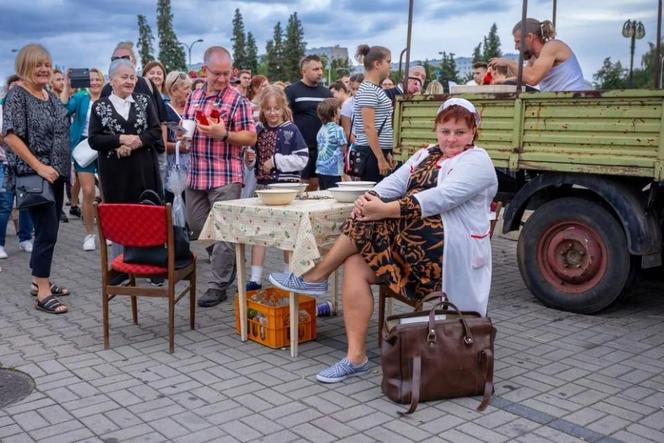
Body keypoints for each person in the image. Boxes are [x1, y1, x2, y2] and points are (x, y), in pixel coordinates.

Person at [269, 98, 498, 383]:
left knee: (366, 224)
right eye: (445, 130)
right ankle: (355, 357)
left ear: (474, 132)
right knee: (355, 260)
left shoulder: (478, 161)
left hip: (446, 252)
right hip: (413, 241)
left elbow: (442, 198)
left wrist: (384, 209)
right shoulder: (427, 153)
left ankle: (316, 276)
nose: (451, 138)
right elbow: (396, 181)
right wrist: (372, 197)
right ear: (436, 129)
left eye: (460, 132)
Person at [182, 46, 257, 307]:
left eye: (227, 74)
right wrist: (182, 134)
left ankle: (218, 283)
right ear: (205, 70)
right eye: (218, 74)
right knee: (197, 224)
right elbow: (187, 125)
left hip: (226, 174)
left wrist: (224, 134)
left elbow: (250, 136)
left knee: (224, 229)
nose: (223, 79)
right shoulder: (194, 96)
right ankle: (229, 261)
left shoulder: (238, 100)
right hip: (196, 173)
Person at [3, 44, 71, 314]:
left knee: (49, 230)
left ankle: (37, 279)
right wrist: (40, 166)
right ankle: (42, 291)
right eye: (37, 64)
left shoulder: (49, 96)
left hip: (57, 174)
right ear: (24, 67)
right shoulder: (17, 96)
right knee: (46, 232)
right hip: (36, 175)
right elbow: (9, 136)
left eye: (47, 64)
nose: (43, 69)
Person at [244, 85, 308, 290]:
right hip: (263, 189)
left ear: (283, 108)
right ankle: (255, 278)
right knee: (258, 233)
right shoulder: (258, 130)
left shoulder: (291, 130)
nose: (272, 113)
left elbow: (302, 159)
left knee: (286, 234)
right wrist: (250, 159)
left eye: (276, 109)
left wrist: (276, 161)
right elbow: (251, 162)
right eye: (268, 109)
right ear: (262, 109)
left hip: (286, 190)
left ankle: (287, 274)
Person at [88, 58, 162, 204]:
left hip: (143, 169)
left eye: (132, 77)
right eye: (124, 77)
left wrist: (137, 142)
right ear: (111, 80)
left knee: (146, 214)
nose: (129, 81)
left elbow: (156, 131)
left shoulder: (145, 101)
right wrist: (120, 140)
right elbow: (94, 140)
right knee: (120, 218)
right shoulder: (99, 106)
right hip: (114, 172)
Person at [64, 67, 105, 251]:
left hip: (104, 145)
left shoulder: (108, 98)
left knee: (107, 191)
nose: (95, 82)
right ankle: (89, 234)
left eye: (98, 79)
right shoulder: (81, 98)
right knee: (88, 191)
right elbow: (63, 108)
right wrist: (67, 85)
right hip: (83, 146)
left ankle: (109, 231)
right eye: (92, 79)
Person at [489, 18, 586, 91]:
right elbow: (523, 78)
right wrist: (502, 81)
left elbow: (532, 78)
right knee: (510, 84)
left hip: (571, 99)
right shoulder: (535, 58)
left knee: (515, 89)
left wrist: (508, 63)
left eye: (518, 42)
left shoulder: (552, 46)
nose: (516, 47)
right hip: (556, 99)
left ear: (530, 37)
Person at [285, 55, 332, 191]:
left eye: (321, 68)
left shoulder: (326, 92)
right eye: (315, 69)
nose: (320, 72)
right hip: (300, 148)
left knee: (314, 186)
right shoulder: (292, 91)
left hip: (322, 149)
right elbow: (285, 118)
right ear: (304, 71)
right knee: (299, 187)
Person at [0, 74, 34, 259]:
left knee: (26, 204)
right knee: (5, 205)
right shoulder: (1, 109)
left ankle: (25, 239)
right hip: (4, 164)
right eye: (14, 88)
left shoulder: (30, 111)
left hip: (25, 165)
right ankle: (0, 243)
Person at [351, 44, 394, 183]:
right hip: (371, 154)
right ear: (377, 64)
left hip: (377, 151)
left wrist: (385, 153)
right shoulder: (369, 90)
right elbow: (368, 127)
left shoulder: (375, 88)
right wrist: (380, 158)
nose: (390, 66)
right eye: (388, 62)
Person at [163, 70, 193, 203]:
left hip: (194, 167)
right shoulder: (165, 111)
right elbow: (162, 145)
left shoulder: (192, 109)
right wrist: (180, 146)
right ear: (174, 90)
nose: (190, 91)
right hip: (174, 169)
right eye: (186, 88)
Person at [315, 98, 347, 190]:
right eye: (339, 108)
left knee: (324, 193)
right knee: (333, 195)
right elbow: (344, 148)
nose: (341, 110)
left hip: (320, 169)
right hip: (333, 170)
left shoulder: (321, 129)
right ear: (334, 112)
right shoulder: (338, 129)